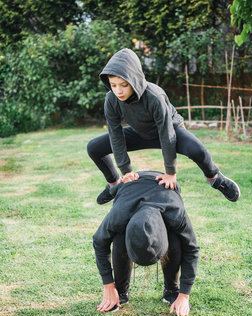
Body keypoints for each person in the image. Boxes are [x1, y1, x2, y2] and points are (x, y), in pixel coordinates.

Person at [87, 48, 240, 205]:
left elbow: (167, 134)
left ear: (134, 80)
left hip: (170, 130)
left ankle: (215, 178)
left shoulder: (154, 96)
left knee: (197, 150)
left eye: (124, 85)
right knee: (94, 147)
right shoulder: (111, 99)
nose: (118, 90)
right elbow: (115, 135)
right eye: (113, 85)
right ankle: (114, 184)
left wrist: (170, 173)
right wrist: (126, 171)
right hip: (140, 132)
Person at [93, 171, 200, 316]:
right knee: (118, 236)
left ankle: (171, 291)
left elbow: (191, 249)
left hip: (163, 184)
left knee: (177, 238)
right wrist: (108, 285)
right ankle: (120, 291)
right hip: (130, 187)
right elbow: (99, 242)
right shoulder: (119, 215)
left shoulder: (176, 213)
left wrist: (184, 295)